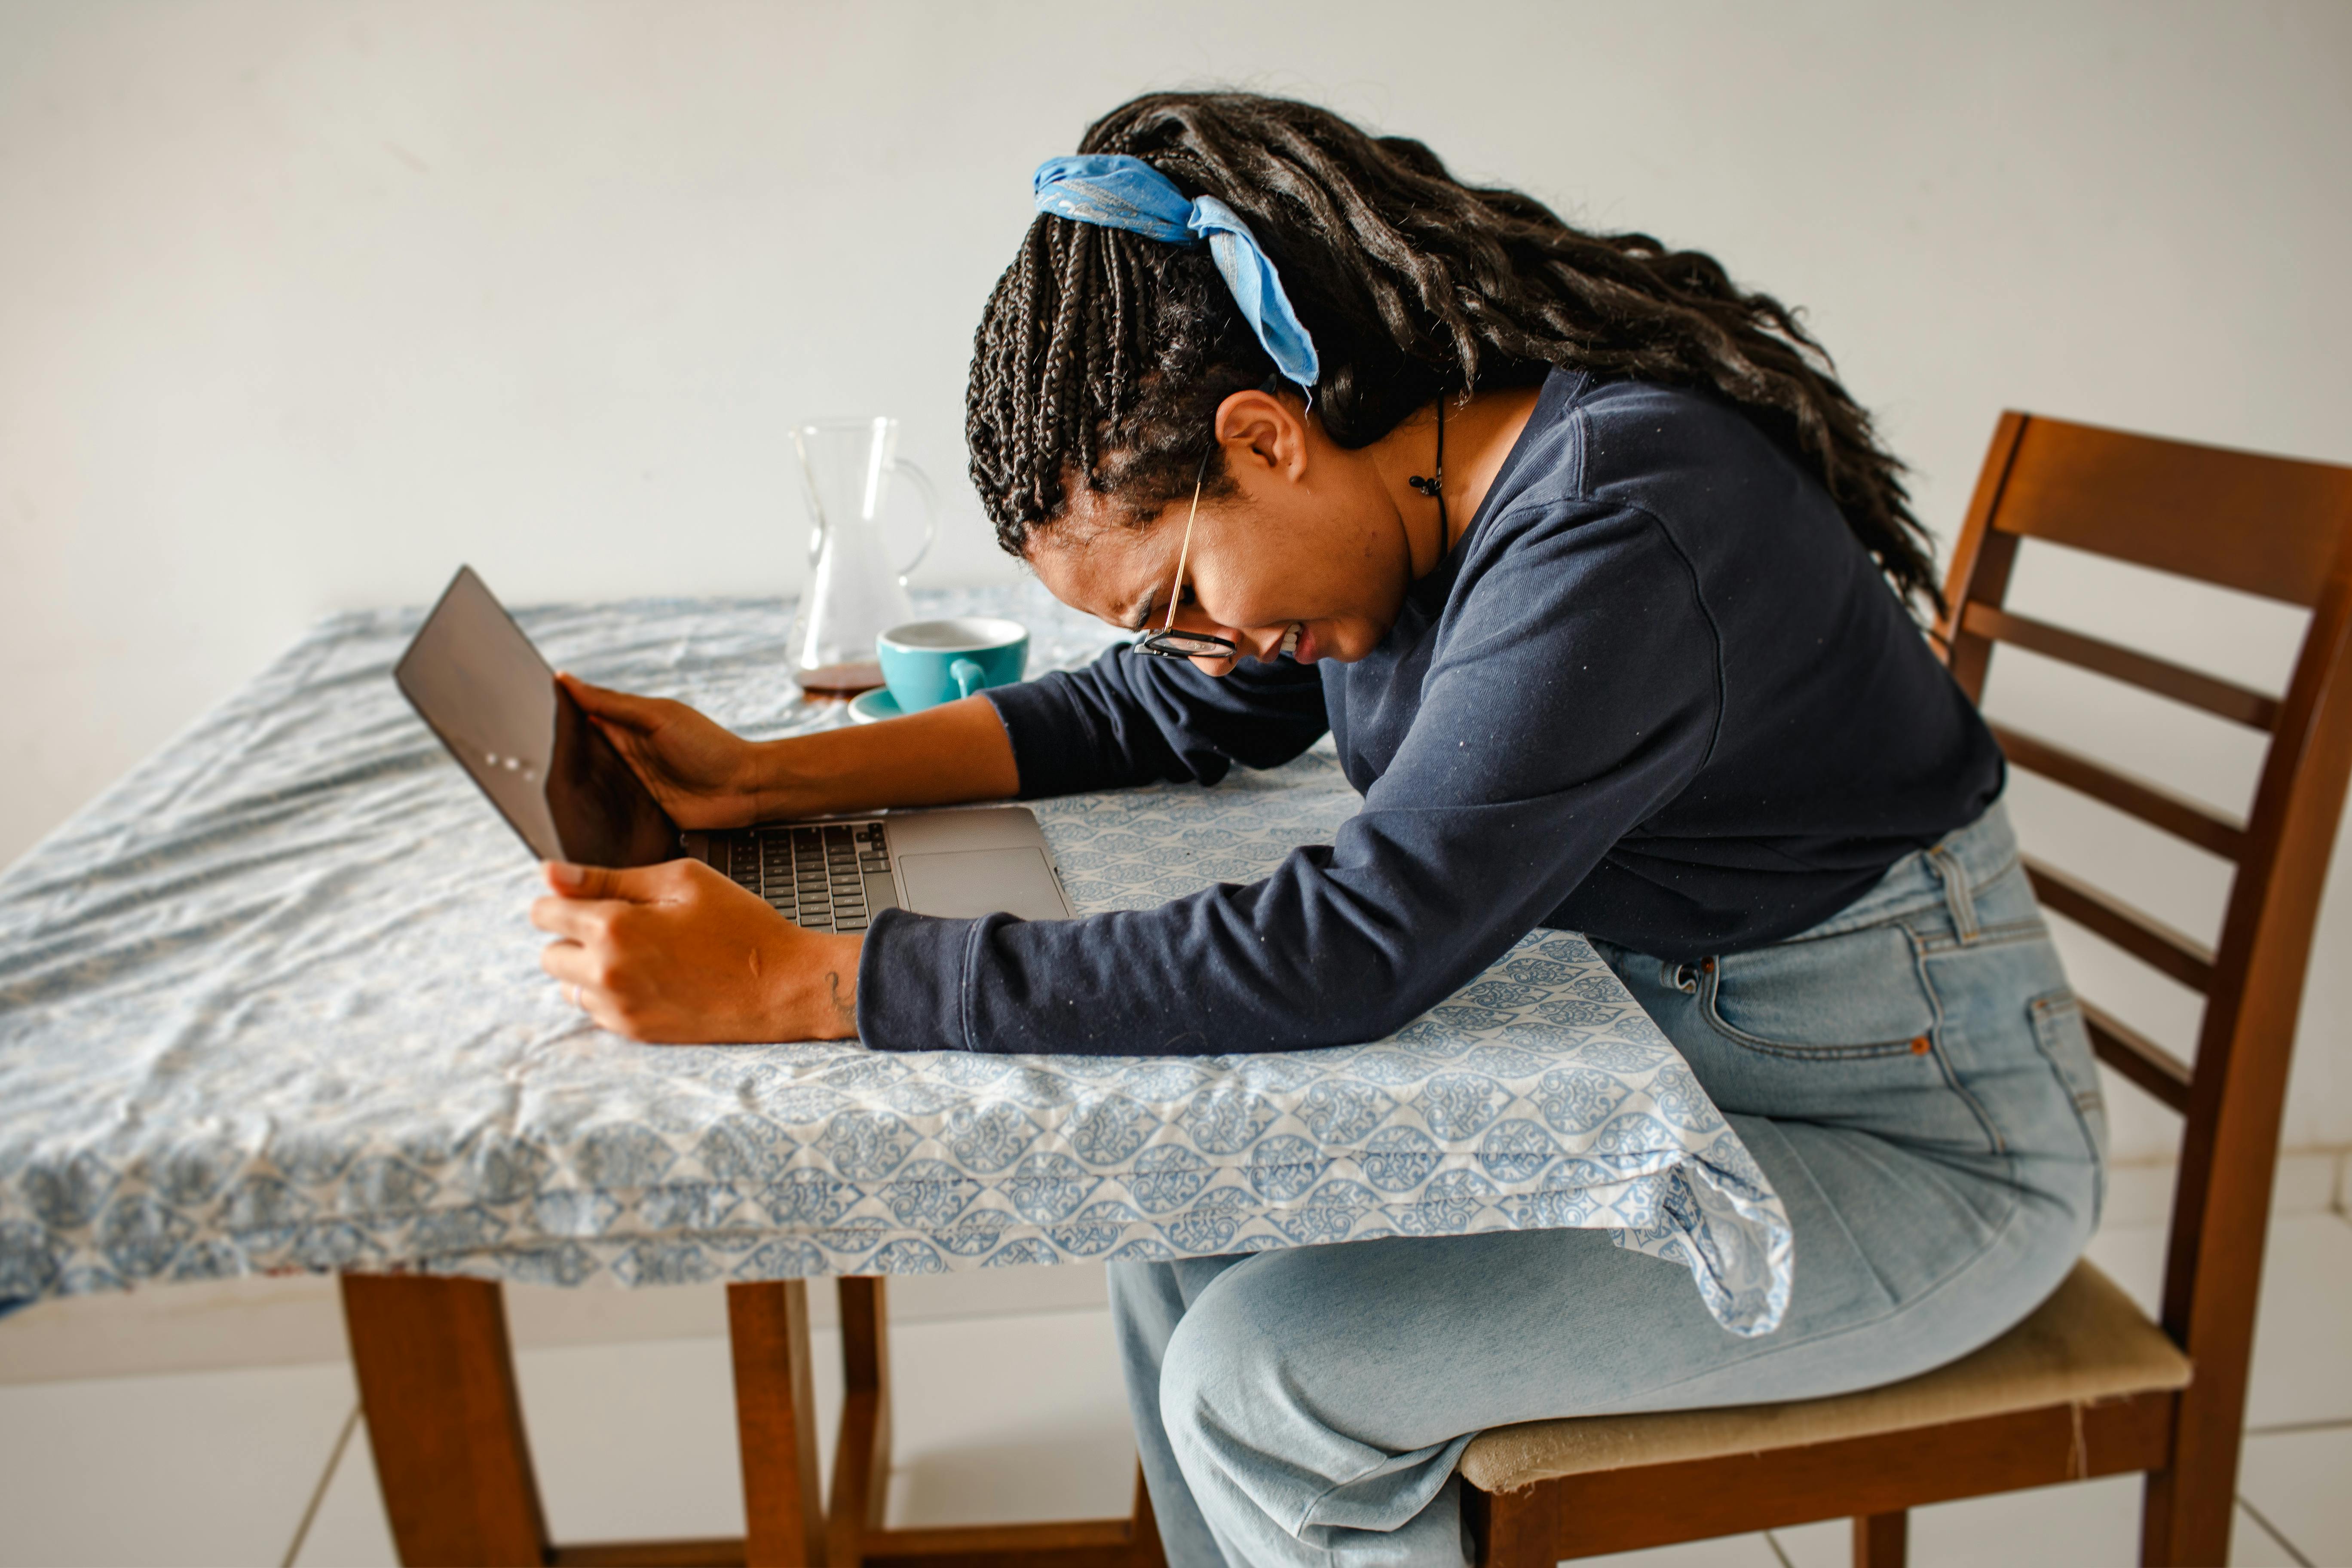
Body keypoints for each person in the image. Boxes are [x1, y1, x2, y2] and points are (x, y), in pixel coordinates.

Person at [529, 92, 2106, 1568]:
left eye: (1181, 598)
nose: (1202, 645)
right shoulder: (1406, 504)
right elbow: (1169, 712)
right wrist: (761, 782)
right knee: (1179, 1215)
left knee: (1264, 1379)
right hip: (1675, 1068)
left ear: (1264, 439)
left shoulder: (1622, 526)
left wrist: (820, 982)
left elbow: (1353, 948)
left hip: (1922, 1144)